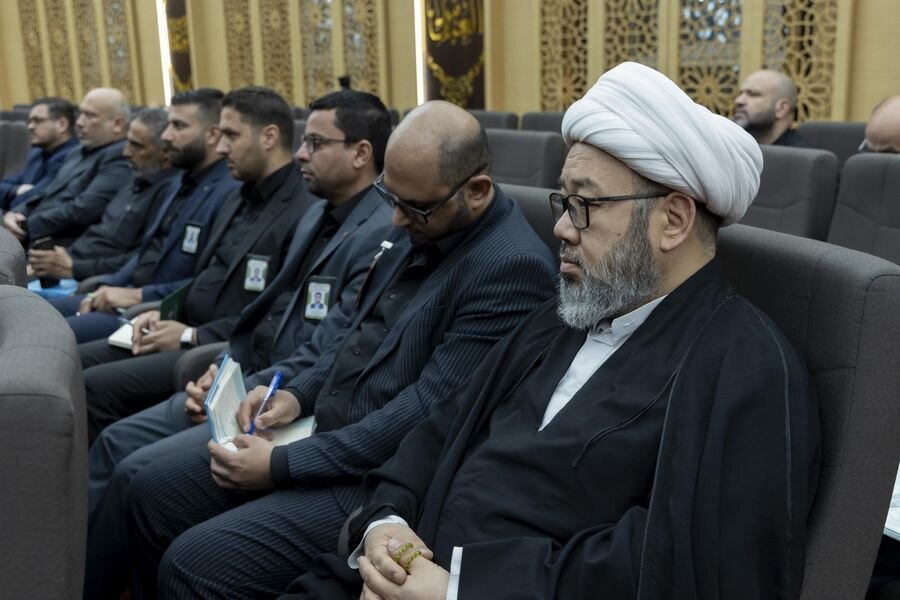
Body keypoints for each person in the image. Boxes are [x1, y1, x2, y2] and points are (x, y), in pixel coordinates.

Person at [280, 61, 821, 600]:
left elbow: (684, 564)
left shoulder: (746, 367)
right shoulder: (558, 318)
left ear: (673, 221)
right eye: (564, 201)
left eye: (584, 204)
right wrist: (386, 527)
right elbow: (438, 432)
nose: (561, 226)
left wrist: (458, 591)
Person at [122, 100, 557, 599]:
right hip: (320, 430)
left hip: (377, 477)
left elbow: (424, 414)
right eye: (389, 196)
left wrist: (283, 464)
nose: (395, 219)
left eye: (413, 207)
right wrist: (296, 394)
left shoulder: (510, 269)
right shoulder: (422, 220)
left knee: (193, 564)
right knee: (151, 491)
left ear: (476, 191)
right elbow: (350, 331)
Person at [83, 88, 396, 600]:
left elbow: (332, 348)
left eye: (315, 143)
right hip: (248, 372)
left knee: (139, 473)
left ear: (362, 153)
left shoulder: (382, 234)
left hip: (282, 397)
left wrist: (254, 383)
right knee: (128, 454)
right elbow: (268, 313)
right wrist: (222, 366)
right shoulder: (320, 214)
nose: (300, 154)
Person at [76, 85, 316, 442]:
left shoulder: (304, 211)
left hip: (219, 346)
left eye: (231, 135)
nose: (221, 148)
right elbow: (205, 278)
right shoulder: (237, 194)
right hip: (182, 325)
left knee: (93, 386)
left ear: (269, 137)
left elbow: (274, 316)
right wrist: (163, 311)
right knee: (75, 358)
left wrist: (191, 335)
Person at [46, 88, 238, 343]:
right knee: (30, 314)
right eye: (168, 125)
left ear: (212, 134)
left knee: (46, 338)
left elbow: (206, 280)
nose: (167, 136)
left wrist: (138, 296)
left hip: (162, 311)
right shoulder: (181, 181)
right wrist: (111, 285)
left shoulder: (228, 192)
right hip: (128, 296)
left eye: (178, 126)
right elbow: (147, 252)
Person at [29, 107, 180, 281]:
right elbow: (99, 236)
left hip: (94, 277)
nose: (126, 152)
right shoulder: (135, 177)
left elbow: (140, 259)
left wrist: (74, 267)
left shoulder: (168, 195)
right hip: (70, 259)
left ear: (166, 152)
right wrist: (59, 257)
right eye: (127, 142)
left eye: (137, 146)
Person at [3, 87, 133, 245]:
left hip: (62, 242)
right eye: (81, 113)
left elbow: (85, 209)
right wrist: (16, 213)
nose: (79, 122)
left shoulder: (121, 156)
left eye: (90, 115)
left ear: (118, 124)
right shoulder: (78, 152)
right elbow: (47, 193)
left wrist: (25, 225)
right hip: (35, 232)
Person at [0, 96, 78, 211]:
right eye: (30, 121)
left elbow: (33, 200)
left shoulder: (72, 157)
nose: (30, 126)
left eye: (38, 121)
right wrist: (16, 190)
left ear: (62, 124)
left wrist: (13, 195)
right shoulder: (37, 153)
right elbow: (6, 184)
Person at [733, 69, 810, 147]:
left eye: (753, 94)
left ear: (782, 108)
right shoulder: (736, 145)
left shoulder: (799, 153)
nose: (738, 101)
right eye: (740, 93)